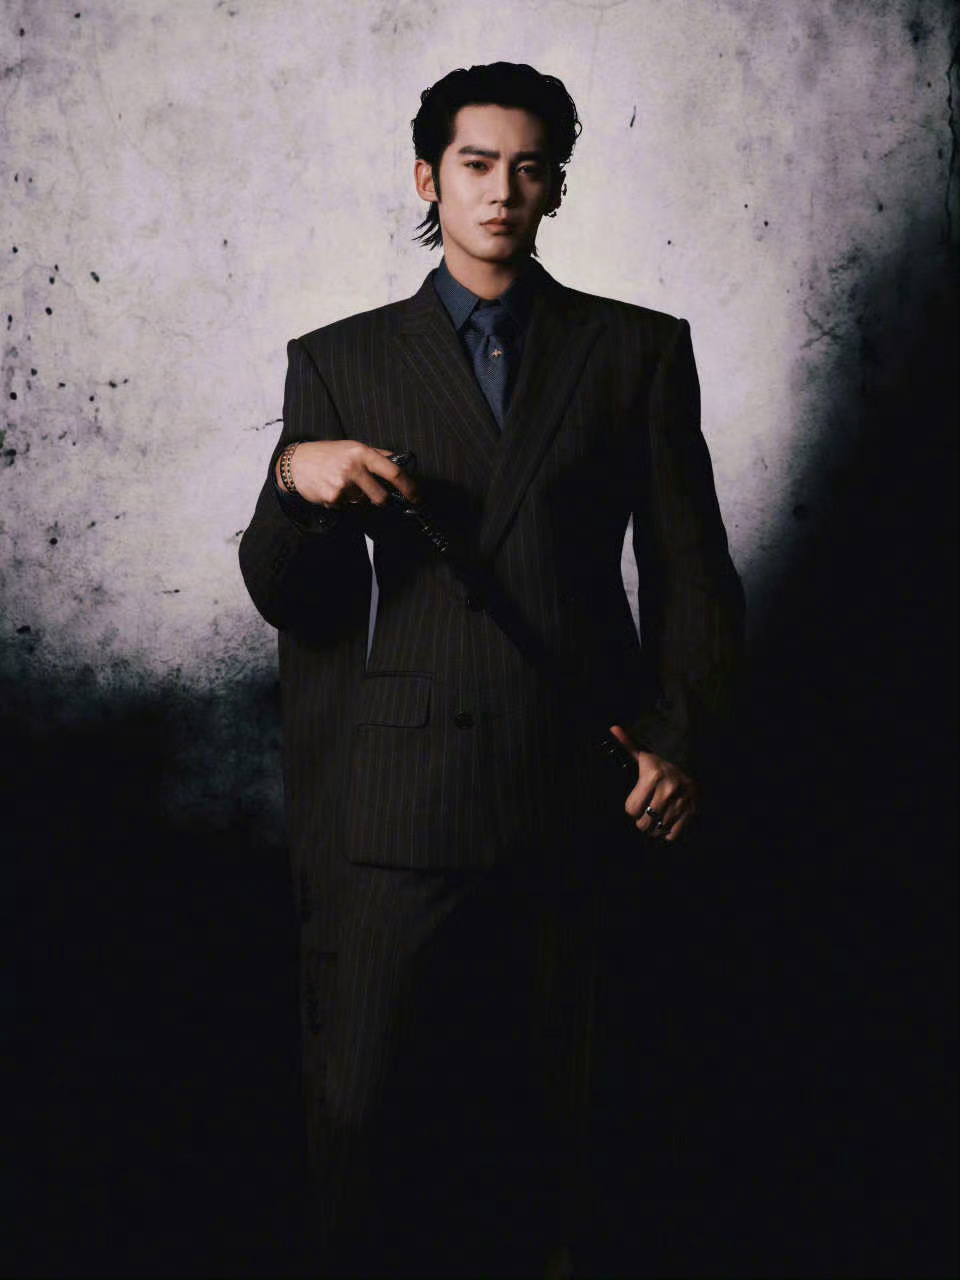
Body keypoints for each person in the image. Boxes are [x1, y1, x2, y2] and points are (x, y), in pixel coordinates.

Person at [239, 61, 744, 1279]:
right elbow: (295, 600)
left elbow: (691, 574)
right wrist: (294, 481)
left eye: (529, 167)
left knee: (577, 1120)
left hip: (577, 780)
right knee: (366, 1118)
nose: (501, 191)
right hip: (398, 798)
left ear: (555, 185)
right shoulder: (340, 358)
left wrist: (679, 736)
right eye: (476, 164)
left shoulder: (635, 349)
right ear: (429, 178)